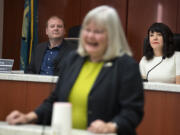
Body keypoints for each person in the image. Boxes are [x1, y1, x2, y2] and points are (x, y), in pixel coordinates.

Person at [6, 6, 144, 135]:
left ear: (112, 36)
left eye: (98, 31)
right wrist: (28, 117)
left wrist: (111, 126)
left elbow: (133, 111)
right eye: (87, 30)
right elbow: (54, 100)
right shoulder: (73, 59)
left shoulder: (126, 65)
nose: (90, 36)